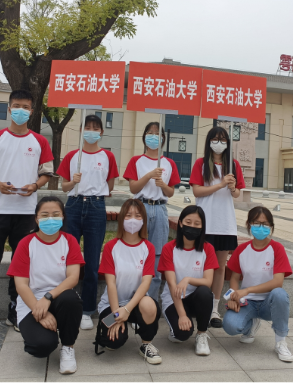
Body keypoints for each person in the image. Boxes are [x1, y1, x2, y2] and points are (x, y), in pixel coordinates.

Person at [0, 89, 54, 337]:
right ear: (9, 109)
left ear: (32, 111)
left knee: (22, 269)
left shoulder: (40, 142)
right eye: (16, 106)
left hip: (26, 214)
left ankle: (15, 312)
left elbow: (46, 174)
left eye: (26, 107)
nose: (21, 110)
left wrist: (34, 186)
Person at [7, 197, 85, 374]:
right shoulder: (26, 243)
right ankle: (44, 332)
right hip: (31, 302)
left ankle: (68, 347)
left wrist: (48, 298)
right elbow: (21, 285)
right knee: (41, 346)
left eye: (56, 214)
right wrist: (39, 311)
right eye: (45, 215)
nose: (50, 219)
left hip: (59, 298)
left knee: (71, 298)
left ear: (63, 217)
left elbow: (73, 278)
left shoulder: (69, 241)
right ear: (36, 219)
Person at [57, 114, 119, 331]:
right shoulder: (72, 156)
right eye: (88, 127)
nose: (91, 131)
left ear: (101, 132)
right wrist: (73, 182)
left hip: (96, 207)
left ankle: (87, 310)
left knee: (92, 262)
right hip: (73, 205)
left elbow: (110, 186)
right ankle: (67, 305)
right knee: (69, 258)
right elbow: (63, 187)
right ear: (81, 130)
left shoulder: (107, 156)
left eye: (96, 128)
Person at [94, 199, 163, 365]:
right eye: (128, 215)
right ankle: (106, 331)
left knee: (150, 305)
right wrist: (117, 315)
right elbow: (111, 284)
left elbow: (146, 283)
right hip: (112, 305)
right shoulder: (111, 246)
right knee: (113, 341)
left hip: (134, 304)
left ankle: (146, 344)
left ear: (143, 220)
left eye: (138, 216)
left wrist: (126, 310)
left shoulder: (148, 247)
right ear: (121, 219)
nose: (133, 220)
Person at [189, 126, 245, 328]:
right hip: (205, 222)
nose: (219, 143)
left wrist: (232, 187)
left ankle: (213, 308)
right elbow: (197, 191)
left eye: (223, 139)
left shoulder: (233, 165)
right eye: (215, 139)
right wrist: (220, 184)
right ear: (209, 142)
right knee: (200, 265)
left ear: (228, 143)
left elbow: (237, 194)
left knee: (220, 267)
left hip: (224, 223)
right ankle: (196, 304)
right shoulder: (201, 164)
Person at [222, 207, 293, 362]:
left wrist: (247, 290)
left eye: (265, 224)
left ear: (271, 226)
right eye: (256, 223)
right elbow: (234, 277)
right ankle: (250, 327)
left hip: (269, 303)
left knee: (280, 294)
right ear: (249, 224)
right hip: (247, 302)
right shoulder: (242, 250)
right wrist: (234, 296)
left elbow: (278, 282)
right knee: (230, 326)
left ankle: (281, 341)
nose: (261, 227)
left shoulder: (277, 248)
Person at [123, 122, 181, 299]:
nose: (153, 136)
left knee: (157, 254)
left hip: (160, 208)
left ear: (162, 138)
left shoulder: (169, 163)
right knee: (137, 249)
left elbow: (170, 192)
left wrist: (162, 184)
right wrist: (148, 176)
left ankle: (151, 301)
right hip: (140, 208)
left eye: (157, 133)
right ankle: (132, 298)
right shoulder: (136, 161)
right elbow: (133, 188)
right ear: (144, 136)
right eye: (150, 133)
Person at [158, 205, 218, 356]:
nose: (192, 226)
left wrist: (188, 279)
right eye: (188, 222)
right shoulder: (169, 248)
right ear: (180, 223)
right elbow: (172, 284)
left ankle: (202, 334)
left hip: (195, 298)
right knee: (182, 335)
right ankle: (178, 325)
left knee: (205, 292)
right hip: (174, 298)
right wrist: (182, 315)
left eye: (197, 224)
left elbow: (208, 281)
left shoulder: (208, 249)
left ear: (202, 227)